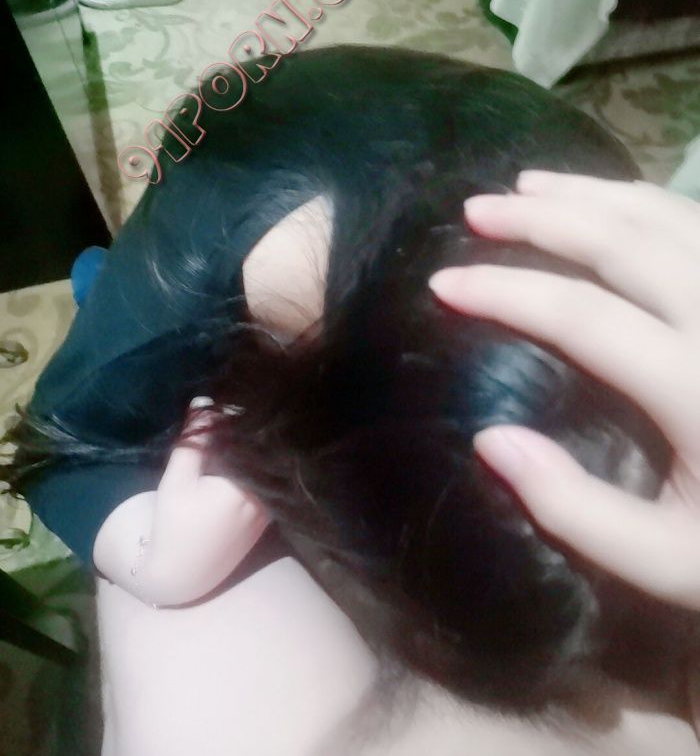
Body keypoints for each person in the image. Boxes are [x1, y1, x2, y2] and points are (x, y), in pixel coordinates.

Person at [4, 46, 699, 753]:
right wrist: (148, 553)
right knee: (123, 322)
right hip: (214, 247)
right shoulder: (236, 232)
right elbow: (60, 442)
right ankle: (106, 283)